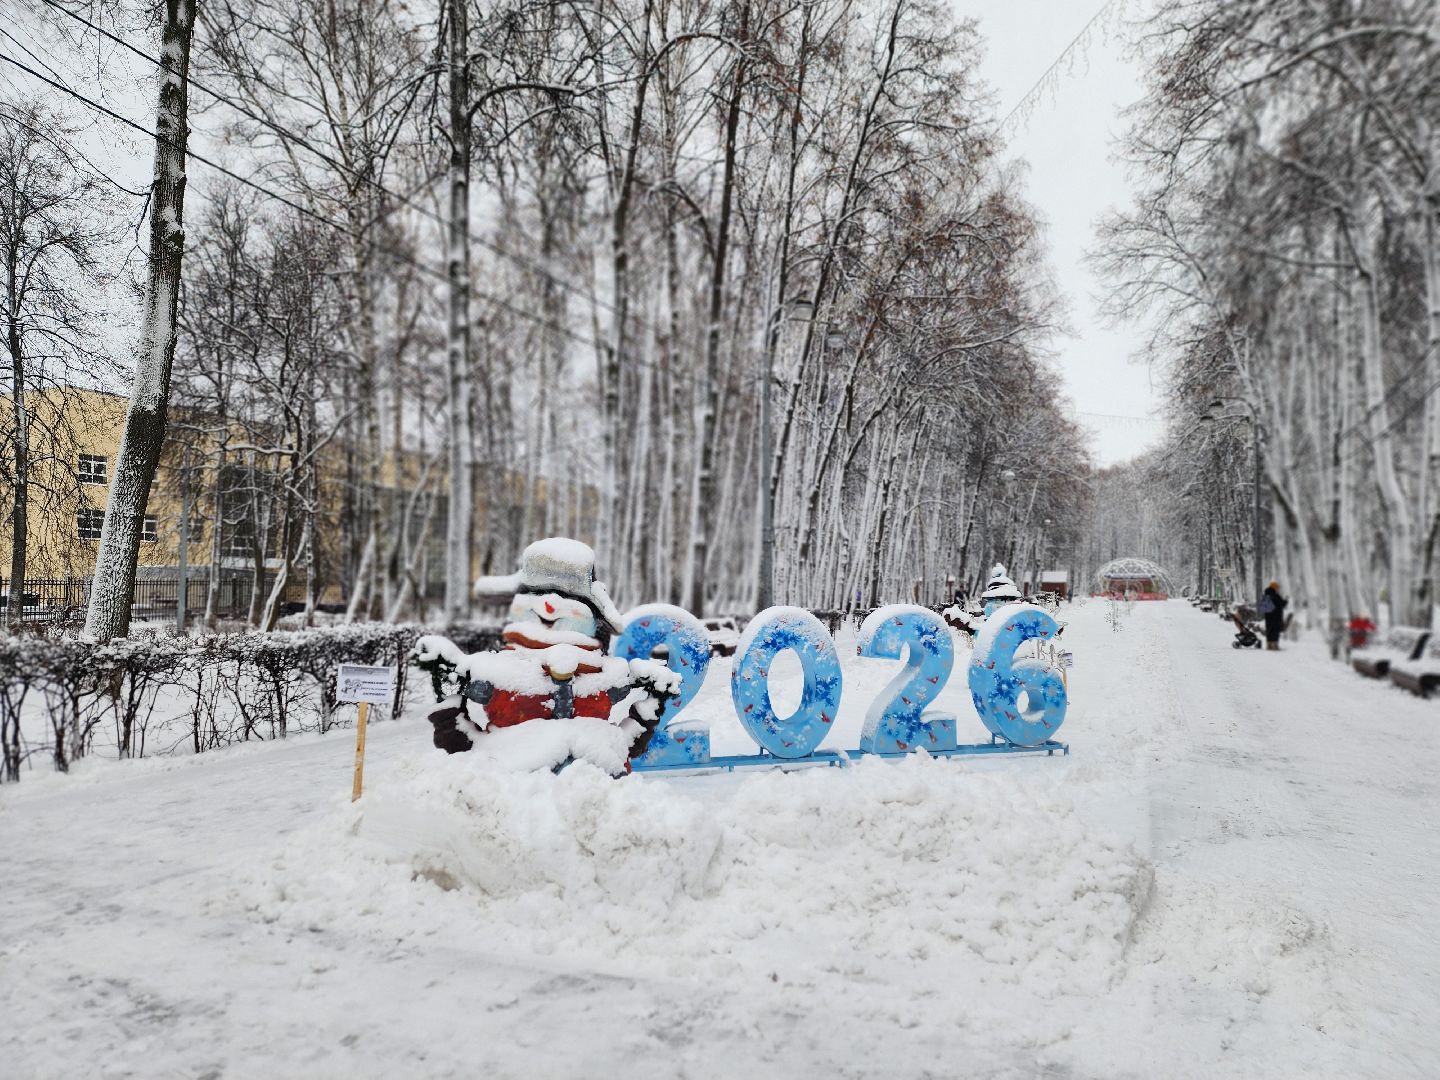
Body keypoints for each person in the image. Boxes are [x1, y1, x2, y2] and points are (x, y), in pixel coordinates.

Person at [1260, 581, 1288, 651]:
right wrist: (1286, 601)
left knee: (1269, 629)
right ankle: (1274, 645)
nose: (1277, 589)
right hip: (1276, 616)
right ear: (1274, 587)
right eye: (1277, 588)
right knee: (1275, 630)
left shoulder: (1266, 594)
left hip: (1268, 616)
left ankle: (1269, 645)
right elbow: (1281, 604)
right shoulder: (1275, 595)